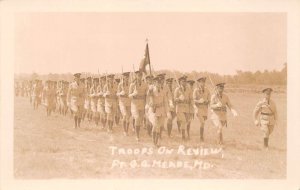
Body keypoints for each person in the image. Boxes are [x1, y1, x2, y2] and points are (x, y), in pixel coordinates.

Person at [147, 76, 167, 147]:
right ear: (155, 83)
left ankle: (156, 141)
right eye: (157, 83)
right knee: (155, 125)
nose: (158, 84)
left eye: (159, 82)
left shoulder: (163, 90)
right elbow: (148, 95)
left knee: (159, 126)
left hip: (161, 110)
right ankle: (154, 142)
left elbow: (165, 102)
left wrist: (166, 111)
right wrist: (149, 90)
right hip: (154, 110)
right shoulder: (152, 90)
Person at [129, 70, 148, 142]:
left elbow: (147, 94)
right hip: (134, 104)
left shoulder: (145, 84)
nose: (139, 77)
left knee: (139, 119)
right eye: (138, 75)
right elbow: (129, 95)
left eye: (140, 75)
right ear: (136, 76)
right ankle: (137, 136)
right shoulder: (132, 85)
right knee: (137, 118)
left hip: (142, 104)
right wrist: (133, 94)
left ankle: (137, 131)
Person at [174, 75, 192, 141]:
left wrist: (191, 105)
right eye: (182, 81)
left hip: (187, 108)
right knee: (183, 121)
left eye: (185, 81)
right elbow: (174, 100)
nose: (184, 83)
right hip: (179, 108)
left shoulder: (189, 89)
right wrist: (179, 98)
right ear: (180, 82)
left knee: (186, 121)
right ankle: (183, 136)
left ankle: (183, 135)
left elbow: (191, 99)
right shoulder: (177, 89)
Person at [193, 77, 210, 142]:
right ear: (199, 83)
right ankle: (201, 137)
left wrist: (207, 101)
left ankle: (201, 136)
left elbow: (209, 99)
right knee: (202, 122)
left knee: (203, 123)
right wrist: (199, 101)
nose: (202, 83)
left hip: (205, 109)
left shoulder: (207, 90)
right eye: (201, 82)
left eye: (203, 82)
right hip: (198, 109)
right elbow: (193, 100)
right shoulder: (196, 90)